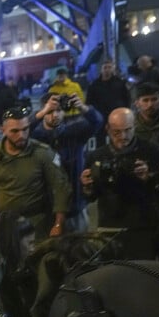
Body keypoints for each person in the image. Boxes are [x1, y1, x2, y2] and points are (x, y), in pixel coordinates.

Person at [81, 108, 159, 259]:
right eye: (117, 132)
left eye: (128, 130)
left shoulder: (151, 151)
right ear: (107, 130)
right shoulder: (96, 156)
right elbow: (90, 197)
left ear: (134, 126)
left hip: (144, 227)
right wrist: (87, 186)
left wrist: (149, 176)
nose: (123, 136)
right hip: (109, 227)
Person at [0, 105, 72, 240]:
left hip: (37, 223)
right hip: (4, 224)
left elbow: (60, 187)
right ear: (3, 130)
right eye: (15, 131)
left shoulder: (42, 153)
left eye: (25, 129)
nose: (21, 135)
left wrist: (59, 223)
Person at [32, 91, 104, 231]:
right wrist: (41, 112)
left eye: (59, 110)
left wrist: (83, 107)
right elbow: (21, 131)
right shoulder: (36, 136)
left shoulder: (74, 133)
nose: (55, 115)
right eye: (50, 111)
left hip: (75, 208)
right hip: (46, 212)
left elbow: (98, 121)